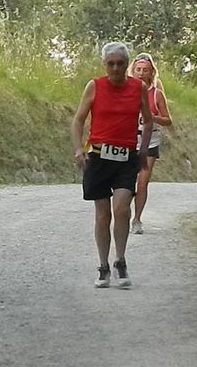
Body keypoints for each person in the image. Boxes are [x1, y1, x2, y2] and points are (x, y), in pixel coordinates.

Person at [71, 42, 153, 288]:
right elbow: (78, 120)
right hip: (98, 156)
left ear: (127, 65)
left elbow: (148, 121)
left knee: (121, 209)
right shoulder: (95, 86)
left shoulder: (138, 88)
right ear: (104, 65)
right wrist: (78, 149)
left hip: (126, 158)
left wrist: (143, 147)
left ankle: (120, 260)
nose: (115, 68)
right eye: (111, 64)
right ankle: (103, 266)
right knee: (103, 214)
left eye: (120, 64)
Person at [129, 53, 172, 235]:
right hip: (128, 142)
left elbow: (168, 120)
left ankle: (137, 219)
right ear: (133, 71)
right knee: (126, 183)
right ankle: (124, 214)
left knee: (142, 183)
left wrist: (152, 117)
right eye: (138, 69)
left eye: (145, 70)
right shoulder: (125, 92)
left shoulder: (156, 95)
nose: (141, 73)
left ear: (151, 72)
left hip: (150, 142)